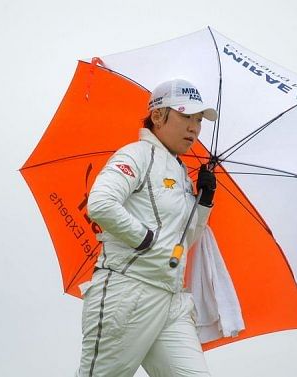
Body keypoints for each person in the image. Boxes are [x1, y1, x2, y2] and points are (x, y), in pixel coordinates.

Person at [76, 79, 218, 377]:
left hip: (171, 299)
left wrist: (203, 203)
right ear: (157, 116)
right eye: (185, 116)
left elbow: (183, 241)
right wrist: (144, 239)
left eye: (198, 120)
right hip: (127, 291)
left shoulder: (180, 171)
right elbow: (100, 203)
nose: (194, 127)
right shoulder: (136, 154)